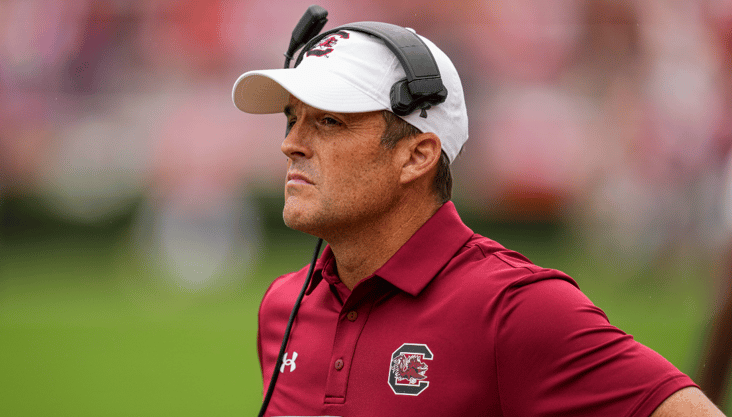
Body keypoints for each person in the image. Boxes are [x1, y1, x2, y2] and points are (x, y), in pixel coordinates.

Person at [231, 24, 725, 416]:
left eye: (329, 121)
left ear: (417, 155)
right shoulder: (284, 305)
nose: (290, 143)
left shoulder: (518, 308)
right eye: (292, 117)